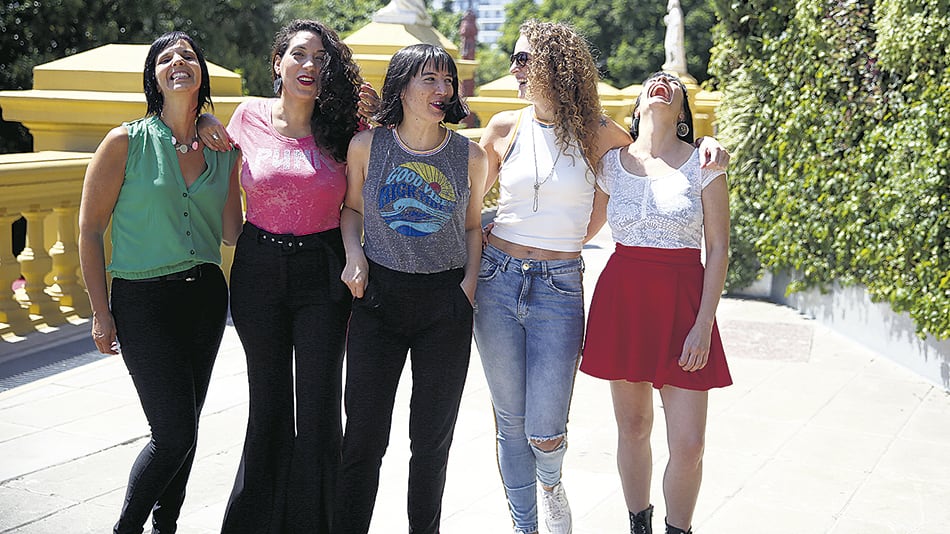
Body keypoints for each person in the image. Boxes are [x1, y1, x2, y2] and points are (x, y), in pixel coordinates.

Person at [473, 20, 730, 534]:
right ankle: (563, 524)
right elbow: (471, 203)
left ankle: (583, 496)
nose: (515, 68)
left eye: (525, 59)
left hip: (615, 290)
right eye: (515, 59)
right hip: (544, 284)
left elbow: (706, 231)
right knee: (547, 423)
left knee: (675, 442)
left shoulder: (631, 144)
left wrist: (710, 144)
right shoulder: (532, 136)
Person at [196, 19, 373, 534]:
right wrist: (204, 120)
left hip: (323, 271)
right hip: (258, 269)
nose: (309, 65)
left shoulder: (345, 129)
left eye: (320, 58)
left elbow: (358, 199)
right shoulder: (247, 116)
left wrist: (354, 254)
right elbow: (207, 150)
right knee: (269, 404)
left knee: (318, 407)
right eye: (298, 54)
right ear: (278, 63)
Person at [78, 31, 242, 534]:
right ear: (153, 77)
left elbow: (232, 232)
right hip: (142, 300)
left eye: (188, 55)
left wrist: (230, 149)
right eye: (165, 58)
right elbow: (89, 230)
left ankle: (165, 527)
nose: (178, 62)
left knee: (187, 428)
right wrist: (101, 312)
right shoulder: (125, 142)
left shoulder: (223, 151)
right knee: (172, 433)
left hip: (206, 298)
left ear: (201, 73)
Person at [333, 43, 487, 534]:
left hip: (445, 306)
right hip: (378, 301)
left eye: (448, 80)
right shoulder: (367, 146)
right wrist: (354, 255)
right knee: (363, 438)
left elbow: (472, 227)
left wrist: (466, 289)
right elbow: (352, 209)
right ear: (402, 87)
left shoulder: (471, 156)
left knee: (431, 444)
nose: (443, 89)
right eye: (430, 79)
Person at [580, 71, 733, 534]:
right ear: (638, 106)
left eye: (671, 83)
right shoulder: (610, 163)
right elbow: (581, 229)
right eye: (652, 81)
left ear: (683, 109)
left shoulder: (706, 161)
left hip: (685, 306)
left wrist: (703, 325)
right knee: (633, 428)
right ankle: (639, 525)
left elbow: (719, 248)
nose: (661, 81)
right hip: (622, 302)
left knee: (689, 445)